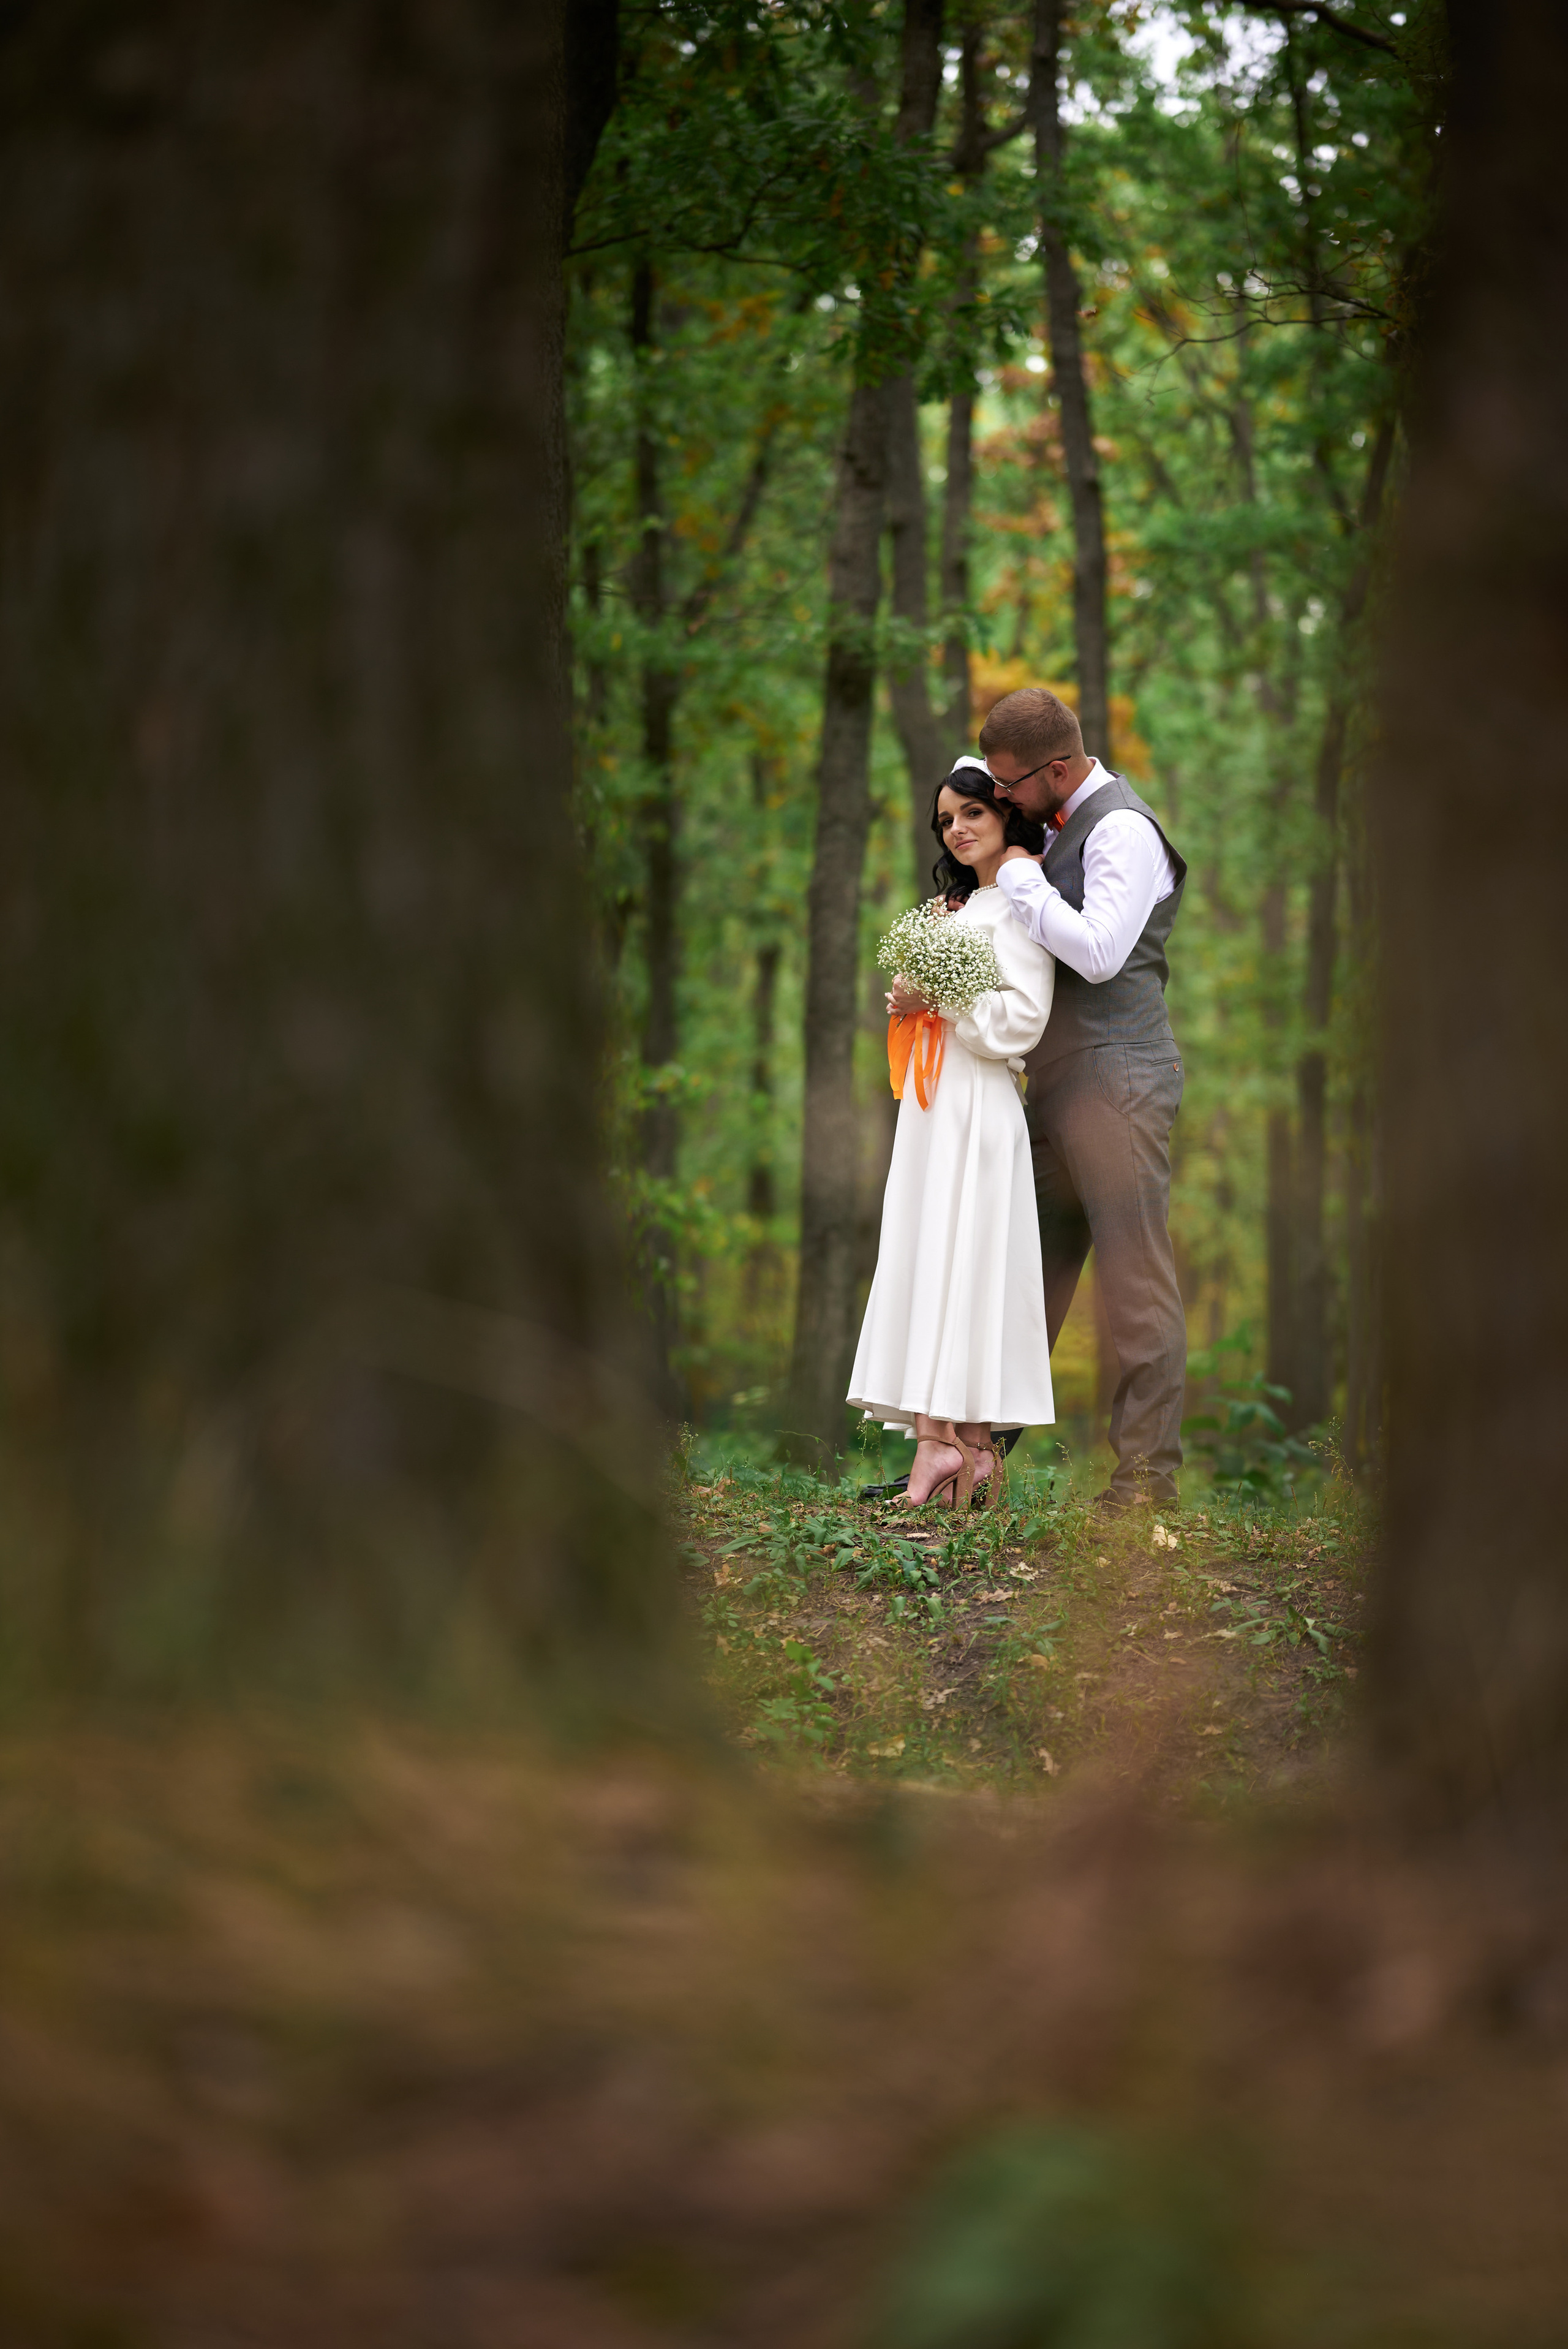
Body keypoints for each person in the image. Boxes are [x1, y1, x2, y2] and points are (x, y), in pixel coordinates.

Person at [980, 685, 1188, 1514]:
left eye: (1012, 786)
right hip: (1061, 1086)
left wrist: (1024, 884)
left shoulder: (1124, 830)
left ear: (1057, 768)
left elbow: (1101, 952)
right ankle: (975, 1466)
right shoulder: (1056, 826)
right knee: (1027, 1274)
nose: (1004, 801)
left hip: (1122, 1077)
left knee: (1134, 1282)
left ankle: (1145, 1489)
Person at [848, 762, 1057, 1508]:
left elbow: (1021, 1022)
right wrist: (910, 1001)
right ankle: (955, 1445)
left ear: (1005, 816)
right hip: (932, 1107)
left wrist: (937, 997)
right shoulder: (956, 909)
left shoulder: (1022, 904)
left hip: (977, 1103)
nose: (957, 829)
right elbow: (935, 1009)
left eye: (971, 813)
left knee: (968, 1257)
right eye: (945, 821)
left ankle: (954, 1444)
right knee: (933, 1253)